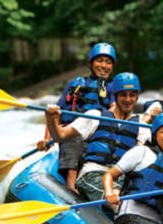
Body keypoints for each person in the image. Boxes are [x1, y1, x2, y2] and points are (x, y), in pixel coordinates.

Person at [44, 72, 150, 203]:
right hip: (93, 174)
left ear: (137, 96)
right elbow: (60, 135)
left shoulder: (142, 126)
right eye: (123, 95)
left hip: (121, 178)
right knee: (119, 199)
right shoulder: (95, 116)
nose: (128, 100)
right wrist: (51, 119)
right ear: (115, 95)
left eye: (132, 95)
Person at [38, 42, 117, 193]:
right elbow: (55, 113)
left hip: (97, 133)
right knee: (75, 137)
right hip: (72, 132)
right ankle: (71, 184)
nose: (104, 65)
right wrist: (47, 139)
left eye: (108, 62)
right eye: (99, 60)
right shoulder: (76, 84)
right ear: (90, 63)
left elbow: (115, 108)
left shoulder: (113, 86)